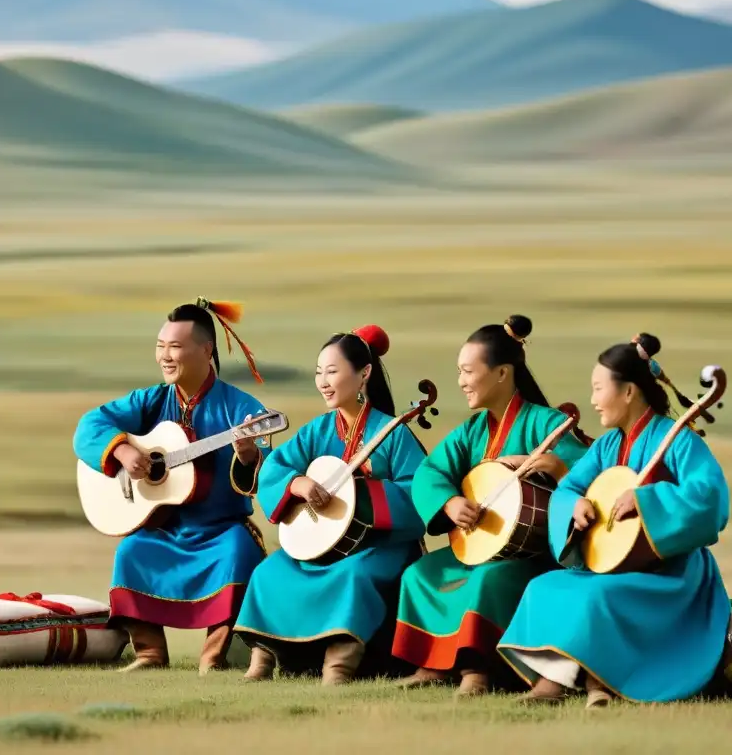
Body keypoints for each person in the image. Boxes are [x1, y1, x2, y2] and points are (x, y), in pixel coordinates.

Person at [497, 333, 731, 707]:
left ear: (628, 392)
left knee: (598, 596)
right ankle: (550, 682)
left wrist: (648, 498)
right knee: (545, 587)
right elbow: (570, 487)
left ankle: (598, 684)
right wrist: (574, 506)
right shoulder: (607, 446)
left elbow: (711, 499)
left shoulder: (678, 440)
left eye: (597, 388)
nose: (591, 400)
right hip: (614, 563)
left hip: (669, 571)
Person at [391, 315, 591, 696]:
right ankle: (432, 664)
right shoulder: (472, 430)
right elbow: (429, 471)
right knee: (420, 574)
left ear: (502, 373)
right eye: (459, 371)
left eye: (469, 371)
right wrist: (449, 503)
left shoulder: (548, 424)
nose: (462, 381)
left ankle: (478, 669)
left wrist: (557, 466)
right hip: (480, 548)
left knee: (489, 579)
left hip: (529, 555)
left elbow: (589, 472)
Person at [73, 297, 271, 676]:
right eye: (161, 346)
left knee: (238, 553)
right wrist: (123, 450)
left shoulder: (243, 409)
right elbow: (88, 426)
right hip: (164, 528)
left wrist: (247, 456)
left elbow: (262, 472)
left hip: (220, 529)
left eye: (175, 347)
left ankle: (213, 657)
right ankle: (149, 653)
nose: (164, 355)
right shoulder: (150, 400)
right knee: (131, 551)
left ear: (206, 350)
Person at [234, 325, 428, 685]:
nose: (323, 381)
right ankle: (262, 661)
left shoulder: (393, 432)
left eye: (333, 372)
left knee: (354, 577)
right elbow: (278, 466)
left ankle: (338, 665)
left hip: (378, 545)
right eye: (319, 372)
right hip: (323, 543)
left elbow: (418, 492)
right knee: (270, 570)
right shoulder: (317, 430)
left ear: (364, 374)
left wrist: (363, 495)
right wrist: (298, 483)